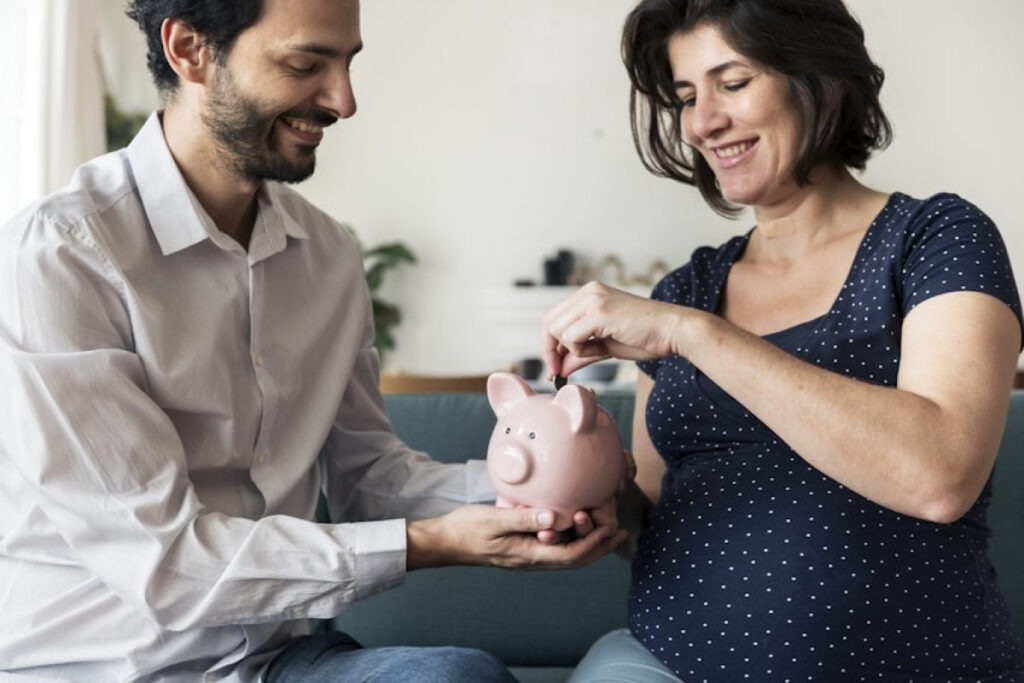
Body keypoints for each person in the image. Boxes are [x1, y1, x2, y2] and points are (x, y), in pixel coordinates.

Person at [0, 1, 626, 680]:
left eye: (347, 64)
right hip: (103, 666)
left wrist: (556, 488)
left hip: (274, 661)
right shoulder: (61, 256)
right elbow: (167, 565)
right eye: (305, 65)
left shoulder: (326, 254)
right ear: (189, 50)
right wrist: (432, 543)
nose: (343, 101)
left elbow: (372, 479)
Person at [542, 0, 1024, 680]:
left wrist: (693, 334)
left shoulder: (936, 240)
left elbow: (940, 475)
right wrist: (580, 491)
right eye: (687, 97)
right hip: (665, 661)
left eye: (733, 83)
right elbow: (651, 507)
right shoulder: (688, 287)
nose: (702, 123)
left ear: (816, 78)